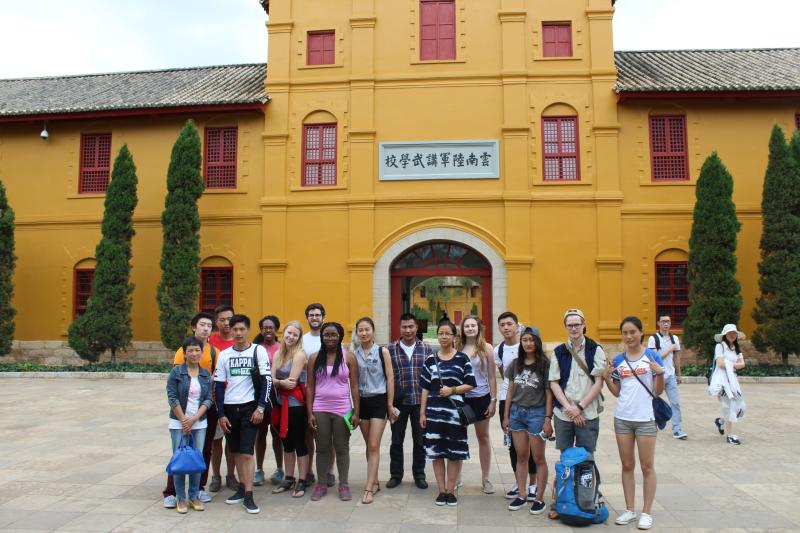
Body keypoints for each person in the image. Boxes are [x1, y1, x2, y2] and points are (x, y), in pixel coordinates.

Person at [603, 316, 665, 531]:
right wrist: (606, 377)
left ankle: (646, 512)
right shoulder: (619, 360)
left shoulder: (652, 356)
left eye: (632, 332)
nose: (629, 337)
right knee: (627, 465)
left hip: (646, 419)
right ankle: (630, 509)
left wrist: (660, 373)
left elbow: (658, 391)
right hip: (623, 418)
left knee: (647, 467)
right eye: (625, 333)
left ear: (641, 332)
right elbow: (617, 392)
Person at [214, 314, 272, 514]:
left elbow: (267, 380)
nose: (238, 333)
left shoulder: (258, 351)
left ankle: (249, 494)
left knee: (247, 452)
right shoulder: (224, 355)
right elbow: (219, 386)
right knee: (236, 450)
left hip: (250, 408)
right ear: (230, 330)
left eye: (242, 329)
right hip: (230, 409)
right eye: (234, 329)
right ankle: (241, 487)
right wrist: (221, 414)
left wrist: (260, 408)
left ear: (247, 330)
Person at [162, 312, 216, 508]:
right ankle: (180, 498)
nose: (194, 354)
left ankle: (194, 496)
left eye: (197, 351)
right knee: (180, 460)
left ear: (202, 353)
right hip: (178, 422)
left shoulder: (205, 374)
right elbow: (172, 397)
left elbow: (208, 398)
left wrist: (194, 419)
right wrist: (184, 420)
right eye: (190, 351)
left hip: (199, 422)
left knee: (196, 460)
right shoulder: (177, 372)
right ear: (184, 353)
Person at [420, 320, 476, 507]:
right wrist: (422, 413)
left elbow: (470, 384)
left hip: (454, 414)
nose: (443, 337)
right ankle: (441, 490)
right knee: (436, 452)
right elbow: (425, 389)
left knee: (454, 452)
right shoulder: (430, 360)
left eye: (447, 333)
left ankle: (451, 491)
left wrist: (452, 390)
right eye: (441, 333)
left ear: (454, 337)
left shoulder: (462, 359)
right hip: (434, 413)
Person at [306, 322, 360, 501]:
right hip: (320, 408)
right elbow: (310, 387)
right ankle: (321, 484)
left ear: (340, 336)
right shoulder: (314, 358)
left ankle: (343, 484)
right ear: (322, 336)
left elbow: (354, 386)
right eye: (326, 335)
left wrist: (356, 412)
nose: (330, 338)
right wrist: (310, 413)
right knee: (322, 448)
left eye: (333, 335)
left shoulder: (349, 357)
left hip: (342, 409)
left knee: (342, 447)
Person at [502, 328, 552, 515]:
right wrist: (506, 416)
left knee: (538, 458)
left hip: (536, 414)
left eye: (531, 340)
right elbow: (509, 391)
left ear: (537, 342)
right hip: (516, 413)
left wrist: (547, 419)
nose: (528, 343)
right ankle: (522, 495)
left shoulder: (545, 364)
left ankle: (538, 498)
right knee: (521, 455)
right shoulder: (515, 364)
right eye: (525, 340)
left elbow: (549, 394)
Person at [493, 311, 536, 501]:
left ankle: (533, 483)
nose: (506, 327)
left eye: (509, 324)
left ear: (517, 326)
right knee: (513, 445)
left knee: (533, 445)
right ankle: (519, 484)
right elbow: (506, 376)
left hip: (531, 401)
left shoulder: (527, 344)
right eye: (502, 325)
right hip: (507, 400)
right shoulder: (498, 350)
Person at [549, 309, 606, 455]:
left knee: (587, 457)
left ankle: (589, 479)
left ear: (583, 324)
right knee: (566, 456)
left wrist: (579, 407)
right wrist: (570, 409)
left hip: (588, 412)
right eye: (570, 325)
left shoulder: (595, 350)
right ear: (565, 327)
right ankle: (567, 479)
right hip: (564, 413)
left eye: (577, 324)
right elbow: (554, 383)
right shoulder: (558, 351)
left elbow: (599, 382)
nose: (573, 328)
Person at [353, 317, 397, 504]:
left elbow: (390, 378)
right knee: (369, 446)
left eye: (367, 329)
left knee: (373, 446)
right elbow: (353, 382)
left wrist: (389, 404)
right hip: (362, 402)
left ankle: (369, 488)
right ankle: (376, 481)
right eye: (360, 330)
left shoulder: (383, 351)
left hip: (379, 401)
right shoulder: (354, 353)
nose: (363, 333)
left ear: (373, 330)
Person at [387, 312, 433, 489]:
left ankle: (419, 475)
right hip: (398, 403)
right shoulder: (389, 349)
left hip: (419, 403)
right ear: (400, 328)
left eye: (411, 326)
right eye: (404, 327)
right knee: (396, 440)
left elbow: (431, 376)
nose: (407, 330)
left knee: (420, 441)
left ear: (416, 328)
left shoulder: (426, 349)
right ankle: (396, 475)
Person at [270, 320, 312, 497]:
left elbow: (291, 383)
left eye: (295, 334)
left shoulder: (300, 355)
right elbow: (271, 379)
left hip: (295, 404)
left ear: (299, 338)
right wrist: (279, 382)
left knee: (298, 441)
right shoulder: (279, 353)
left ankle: (302, 480)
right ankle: (289, 478)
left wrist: (277, 382)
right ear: (283, 333)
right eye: (288, 333)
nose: (291, 336)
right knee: (285, 442)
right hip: (280, 403)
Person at [457, 315, 497, 494]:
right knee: (458, 438)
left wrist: (493, 400)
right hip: (461, 398)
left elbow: (491, 377)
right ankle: (456, 477)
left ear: (479, 328)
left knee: (483, 438)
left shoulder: (487, 348)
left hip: (481, 397)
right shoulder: (457, 347)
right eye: (467, 326)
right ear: (462, 329)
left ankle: (486, 478)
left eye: (473, 325)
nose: (470, 328)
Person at [302, 303, 335, 487]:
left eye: (317, 315)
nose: (314, 318)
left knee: (328, 436)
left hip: (327, 394)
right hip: (307, 391)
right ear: (307, 318)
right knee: (309, 434)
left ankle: (330, 471)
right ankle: (308, 471)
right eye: (311, 315)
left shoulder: (329, 338)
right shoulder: (302, 340)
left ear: (323, 316)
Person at [252, 315, 285, 486]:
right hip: (260, 398)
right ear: (261, 330)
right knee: (260, 434)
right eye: (265, 327)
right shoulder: (256, 348)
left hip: (277, 397)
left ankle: (280, 468)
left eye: (271, 327)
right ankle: (259, 469)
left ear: (276, 329)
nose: (268, 330)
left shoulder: (281, 348)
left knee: (277, 434)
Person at [208, 304, 238, 492]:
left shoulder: (240, 340)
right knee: (216, 440)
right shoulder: (209, 342)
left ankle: (231, 475)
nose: (226, 323)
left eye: (230, 319)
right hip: (215, 399)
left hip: (235, 398)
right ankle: (216, 476)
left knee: (232, 440)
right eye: (222, 319)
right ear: (215, 322)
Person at [647, 315, 687, 439]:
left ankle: (677, 429)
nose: (665, 324)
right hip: (658, 376)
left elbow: (677, 358)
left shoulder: (674, 338)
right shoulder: (653, 339)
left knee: (675, 403)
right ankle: (650, 425)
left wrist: (678, 375)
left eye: (668, 321)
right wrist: (670, 349)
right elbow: (655, 359)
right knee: (652, 401)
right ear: (658, 323)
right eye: (663, 321)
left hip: (670, 376)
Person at [709, 324, 746, 445]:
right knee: (729, 406)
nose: (732, 335)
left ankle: (720, 421)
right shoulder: (720, 347)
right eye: (730, 333)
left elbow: (743, 364)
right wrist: (734, 365)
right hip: (722, 381)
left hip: (733, 381)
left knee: (739, 407)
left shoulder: (736, 348)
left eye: (734, 333)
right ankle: (730, 435)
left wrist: (730, 364)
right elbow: (720, 363)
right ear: (725, 334)